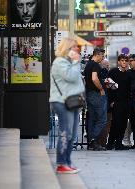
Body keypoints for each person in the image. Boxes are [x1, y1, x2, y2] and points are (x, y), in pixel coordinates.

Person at [49, 37, 85, 174]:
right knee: (66, 133)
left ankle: (68, 162)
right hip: (61, 101)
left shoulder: (69, 62)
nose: (77, 50)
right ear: (67, 49)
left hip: (72, 101)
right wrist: (76, 62)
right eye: (74, 47)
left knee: (73, 133)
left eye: (77, 47)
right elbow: (71, 77)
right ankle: (61, 163)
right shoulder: (60, 62)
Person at [83, 47, 107, 151]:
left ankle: (91, 142)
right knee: (102, 119)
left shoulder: (88, 64)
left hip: (89, 94)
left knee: (92, 119)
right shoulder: (95, 65)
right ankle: (93, 139)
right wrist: (101, 88)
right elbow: (94, 78)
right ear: (97, 54)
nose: (103, 58)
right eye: (102, 55)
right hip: (96, 94)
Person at [106, 54, 131, 150]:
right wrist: (111, 101)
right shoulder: (113, 72)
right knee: (115, 123)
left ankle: (119, 143)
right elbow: (109, 87)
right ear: (119, 62)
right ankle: (110, 143)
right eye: (122, 60)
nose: (124, 62)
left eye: (125, 60)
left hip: (126, 102)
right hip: (116, 102)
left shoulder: (129, 74)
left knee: (124, 123)